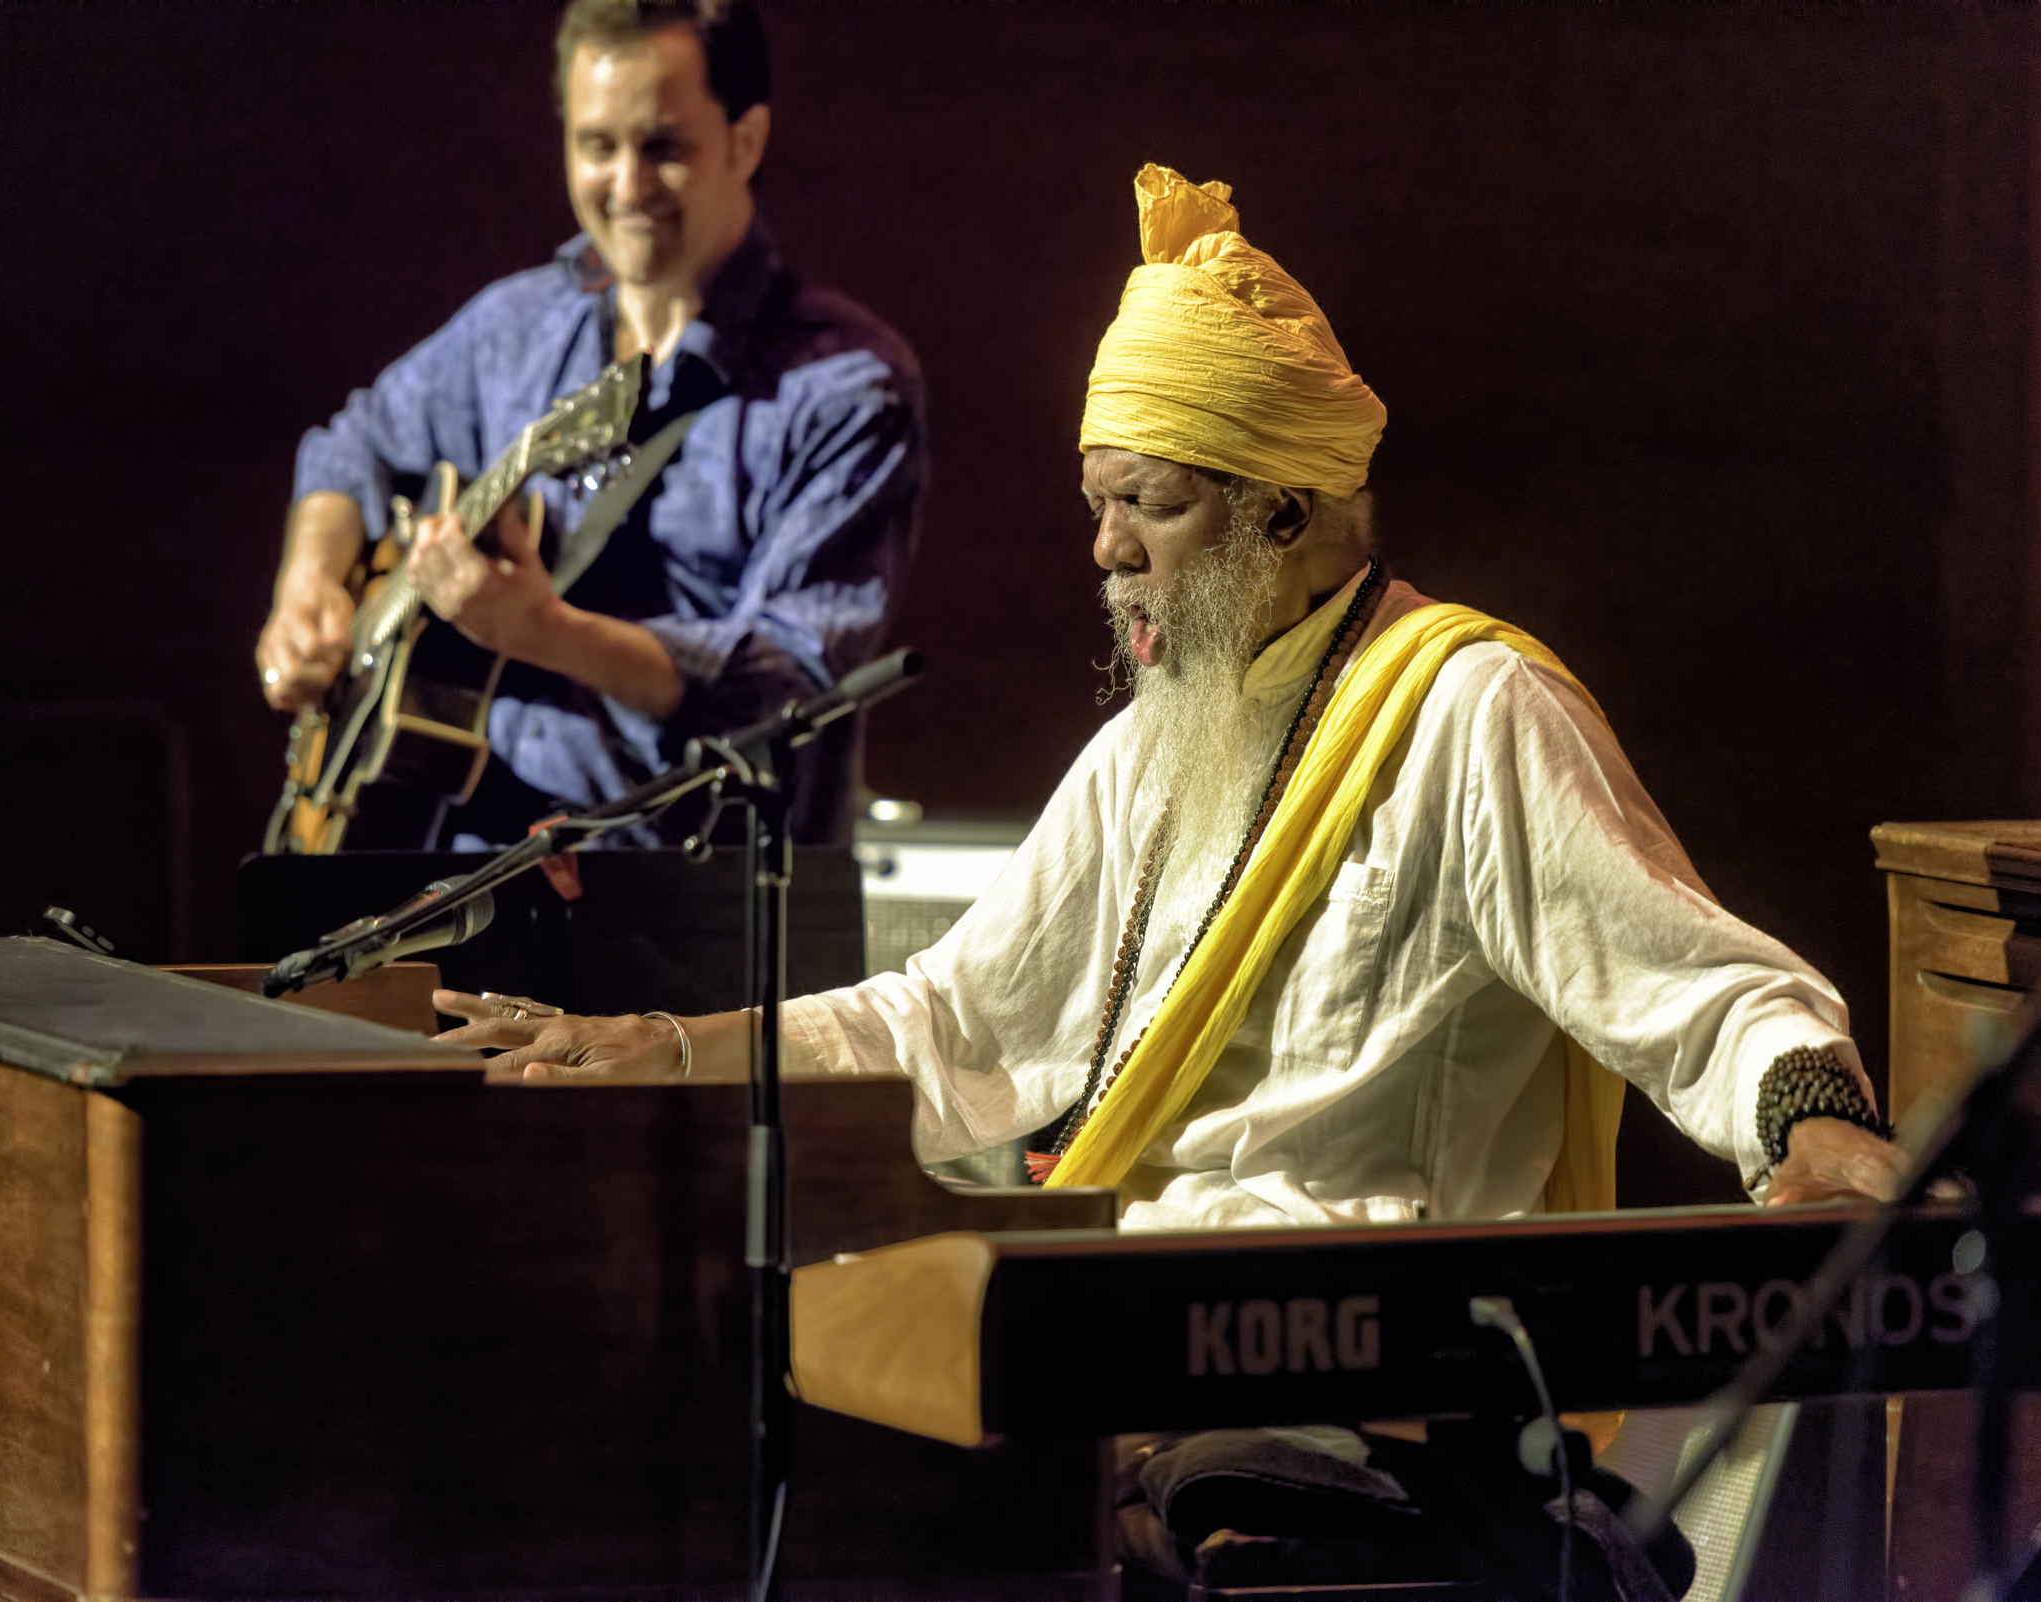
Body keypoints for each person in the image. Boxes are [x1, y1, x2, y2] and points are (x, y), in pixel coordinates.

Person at [436, 166, 1906, 1594]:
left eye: (1148, 505)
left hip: (1361, 1391)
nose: (1104, 550)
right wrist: (677, 1054)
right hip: (1145, 1341)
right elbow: (950, 1024)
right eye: (1097, 502)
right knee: (754, 1414)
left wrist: (1821, 1131)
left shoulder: (1472, 710)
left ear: (1285, 508)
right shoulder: (1158, 744)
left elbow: (1714, 992)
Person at [255, 0, 921, 847]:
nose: (627, 185)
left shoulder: (847, 387)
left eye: (664, 147)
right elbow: (355, 447)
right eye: (597, 146)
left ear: (745, 141)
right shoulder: (515, 326)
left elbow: (791, 684)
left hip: (681, 893)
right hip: (454, 864)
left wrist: (546, 634)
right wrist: (306, 583)